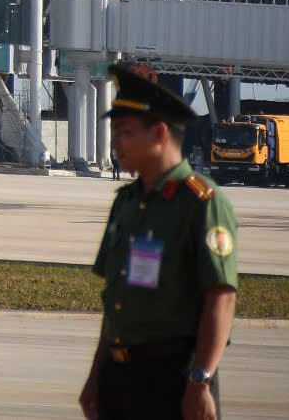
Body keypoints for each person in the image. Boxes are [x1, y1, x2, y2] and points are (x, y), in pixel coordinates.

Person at [80, 64, 239, 420]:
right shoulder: (126, 203)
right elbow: (116, 303)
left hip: (174, 379)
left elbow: (221, 298)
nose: (114, 142)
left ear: (159, 134)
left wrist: (200, 381)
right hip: (121, 378)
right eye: (114, 131)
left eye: (125, 132)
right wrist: (96, 377)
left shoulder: (202, 204)